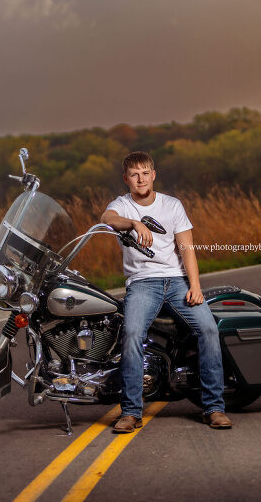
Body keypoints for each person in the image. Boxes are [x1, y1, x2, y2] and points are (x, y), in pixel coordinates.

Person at [100, 151, 232, 432]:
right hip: (142, 283)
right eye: (134, 174)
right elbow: (107, 217)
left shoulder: (172, 206)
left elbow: (187, 249)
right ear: (126, 179)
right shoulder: (121, 205)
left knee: (208, 329)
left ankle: (214, 408)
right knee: (133, 333)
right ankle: (132, 412)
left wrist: (195, 287)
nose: (141, 179)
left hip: (177, 281)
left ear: (154, 175)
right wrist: (136, 223)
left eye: (145, 173)